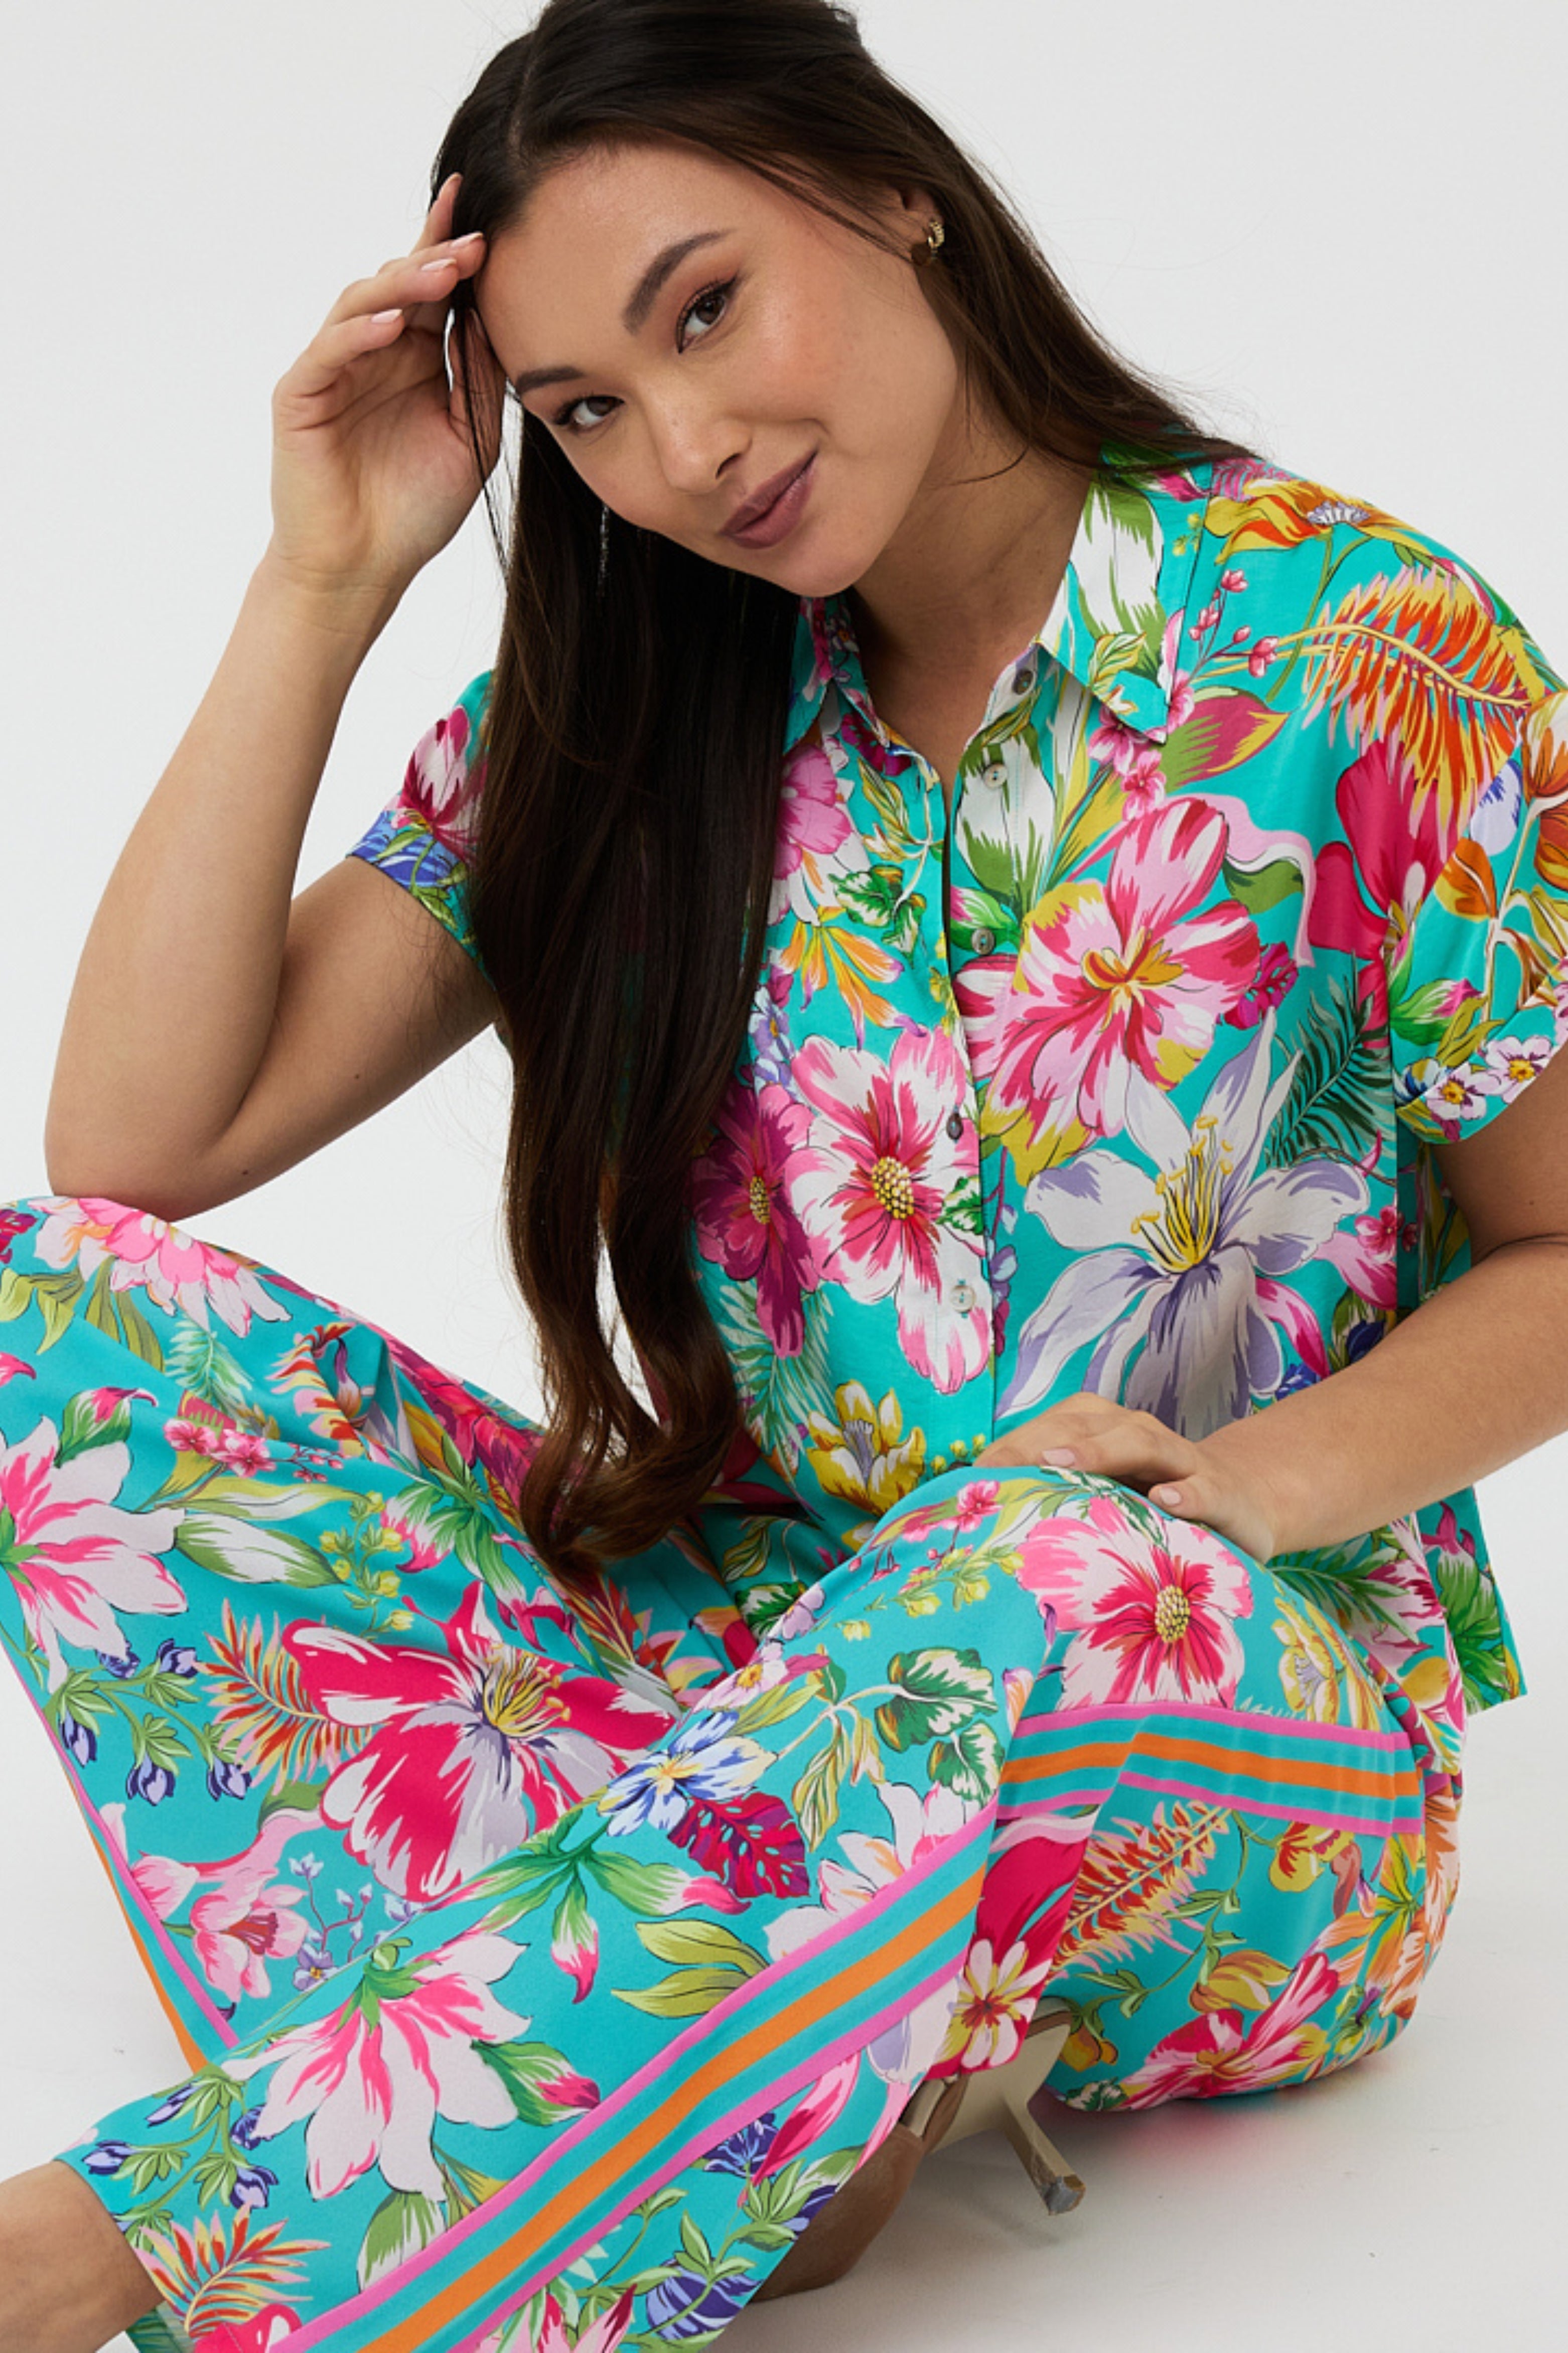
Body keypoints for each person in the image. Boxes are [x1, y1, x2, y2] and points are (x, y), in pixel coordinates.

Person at [4, 0, 1567, 2346]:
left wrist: (1231, 1494)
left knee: (1029, 1557)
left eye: (704, 308)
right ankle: (771, 2089)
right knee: (44, 1306)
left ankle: (122, 2251)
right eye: (581, 411)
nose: (684, 447)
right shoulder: (638, 714)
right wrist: (322, 580)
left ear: (890, 187)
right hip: (734, 1709)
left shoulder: (1353, 655)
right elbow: (140, 1142)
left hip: (1213, 1744)